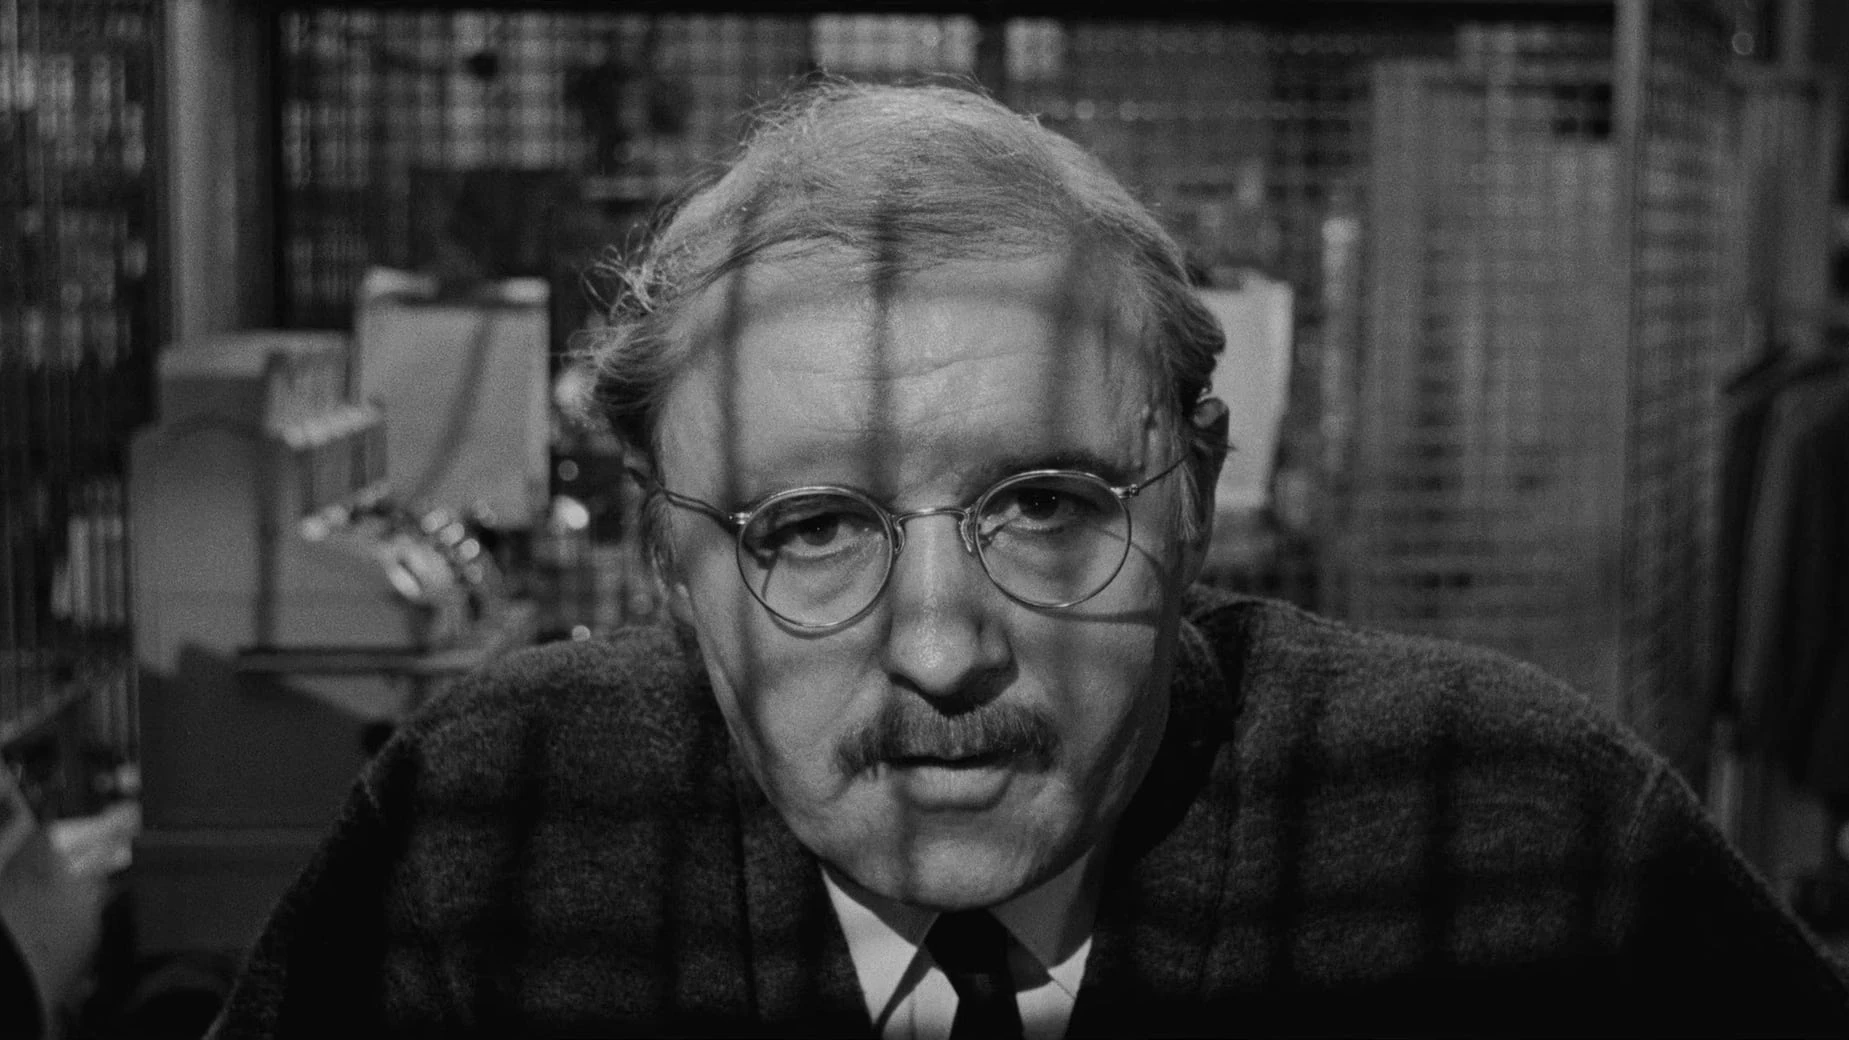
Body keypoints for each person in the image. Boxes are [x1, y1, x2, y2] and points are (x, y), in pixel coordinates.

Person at [208, 81, 1849, 1038]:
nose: (942, 650)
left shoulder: (1524, 843)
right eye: (811, 529)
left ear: (1196, 494)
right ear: (667, 564)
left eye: (1049, 505)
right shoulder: (485, 840)